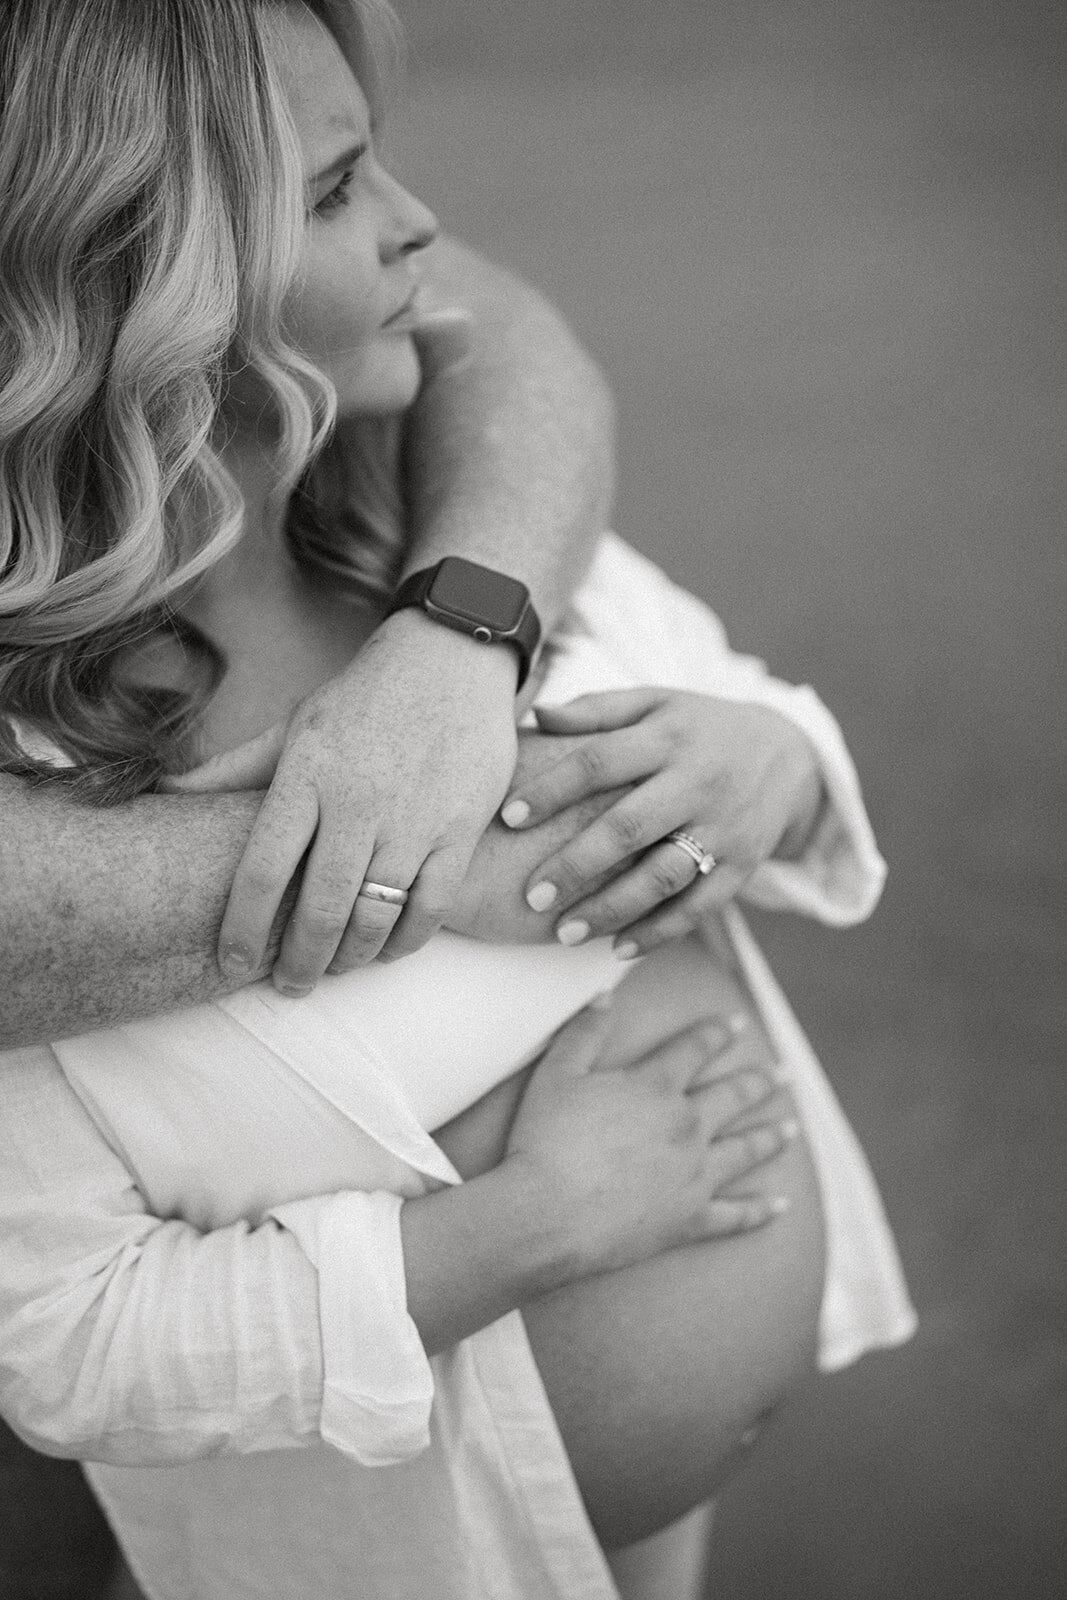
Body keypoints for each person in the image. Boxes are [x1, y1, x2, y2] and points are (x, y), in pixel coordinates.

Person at [0, 3, 916, 1598]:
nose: (429, 225)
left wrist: (761, 768)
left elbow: (737, 699)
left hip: (657, 1528)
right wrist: (539, 1228)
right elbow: (72, 1342)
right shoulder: (49, 796)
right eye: (344, 188)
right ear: (154, 297)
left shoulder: (425, 526)